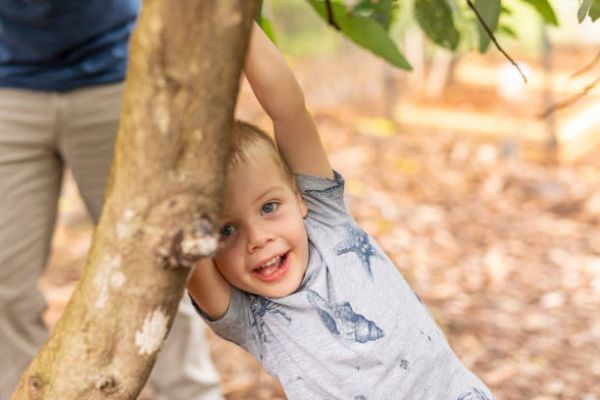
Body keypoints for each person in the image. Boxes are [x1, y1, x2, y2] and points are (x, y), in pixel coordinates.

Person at [187, 23, 496, 399]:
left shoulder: (324, 218)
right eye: (226, 231)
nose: (258, 238)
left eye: (269, 207)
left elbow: (288, 110)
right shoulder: (246, 316)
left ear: (299, 197)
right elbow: (175, 237)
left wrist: (236, 17)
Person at [0, 2, 223, 399]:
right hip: (8, 91)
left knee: (157, 260)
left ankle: (193, 392)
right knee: (5, 287)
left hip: (115, 74)